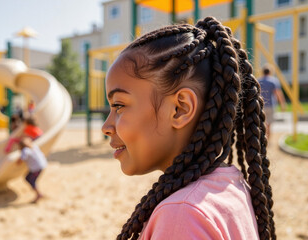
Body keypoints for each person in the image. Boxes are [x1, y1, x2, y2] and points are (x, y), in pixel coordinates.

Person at [101, 17, 275, 240]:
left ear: (180, 109)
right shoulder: (231, 185)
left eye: (119, 106)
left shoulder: (181, 215)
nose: (106, 126)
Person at [259, 64, 287, 138]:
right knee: (269, 124)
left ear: (262, 72)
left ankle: (261, 138)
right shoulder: (273, 81)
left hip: (261, 105)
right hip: (271, 105)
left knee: (262, 123)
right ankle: (267, 139)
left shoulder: (259, 80)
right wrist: (282, 104)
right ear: (270, 72)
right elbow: (278, 93)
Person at [17, 137, 47, 203]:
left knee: (30, 180)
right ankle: (37, 191)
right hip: (42, 165)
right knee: (29, 178)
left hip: (36, 168)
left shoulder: (25, 150)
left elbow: (20, 160)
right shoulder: (34, 146)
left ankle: (39, 194)